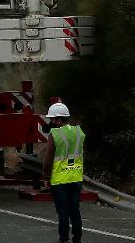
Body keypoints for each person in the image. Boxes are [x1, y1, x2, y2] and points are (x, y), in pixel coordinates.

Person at [42, 101, 85, 243]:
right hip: (76, 177)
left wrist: (46, 176)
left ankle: (64, 239)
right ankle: (77, 239)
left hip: (60, 180)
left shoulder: (54, 134)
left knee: (63, 212)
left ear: (59, 120)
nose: (50, 122)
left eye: (52, 119)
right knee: (75, 211)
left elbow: (48, 160)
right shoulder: (79, 132)